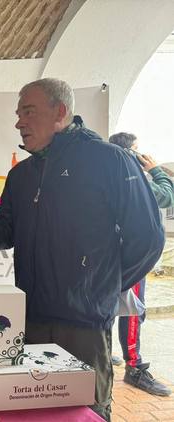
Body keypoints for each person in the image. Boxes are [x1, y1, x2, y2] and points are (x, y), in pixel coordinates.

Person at [0, 78, 164, 421]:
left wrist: (101, 286)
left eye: (28, 111)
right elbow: (7, 232)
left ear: (60, 112)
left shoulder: (110, 161)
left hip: (84, 326)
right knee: (35, 412)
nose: (19, 122)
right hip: (31, 320)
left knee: (86, 412)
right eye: (18, 114)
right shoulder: (22, 175)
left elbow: (147, 238)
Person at [108, 131, 173, 396]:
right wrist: (156, 170)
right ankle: (134, 367)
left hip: (111, 254)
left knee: (109, 306)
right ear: (130, 153)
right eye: (137, 150)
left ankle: (106, 351)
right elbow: (167, 196)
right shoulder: (131, 177)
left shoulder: (105, 173)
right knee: (132, 310)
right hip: (132, 257)